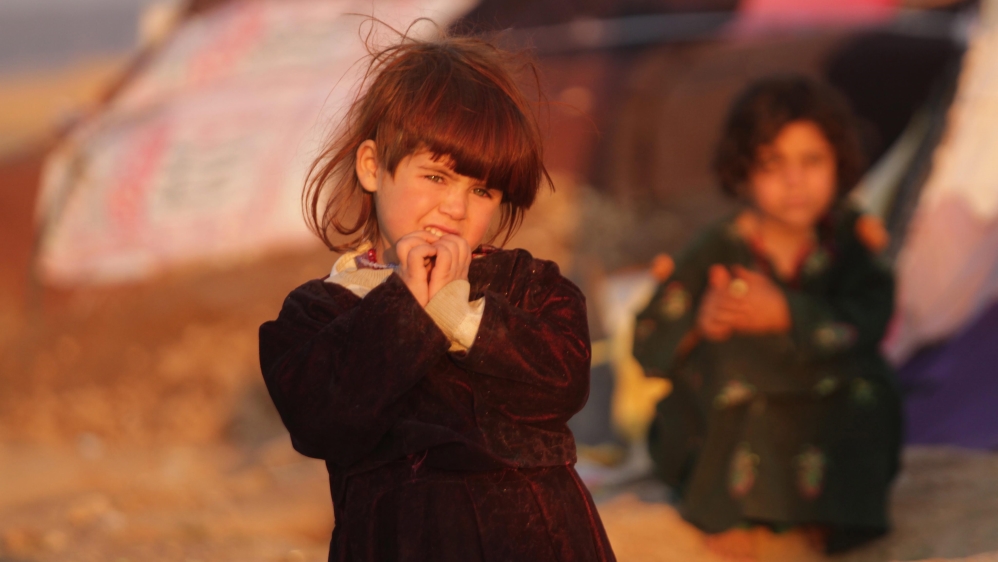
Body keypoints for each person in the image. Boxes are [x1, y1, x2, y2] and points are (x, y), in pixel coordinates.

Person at [259, 28, 616, 562]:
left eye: (481, 190)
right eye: (436, 176)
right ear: (372, 167)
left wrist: (461, 315)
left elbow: (564, 382)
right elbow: (322, 420)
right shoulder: (321, 312)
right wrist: (408, 305)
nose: (455, 208)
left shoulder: (528, 287)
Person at [632, 75, 902, 559]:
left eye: (812, 161)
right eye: (773, 164)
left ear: (839, 163)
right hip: (738, 392)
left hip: (819, 389)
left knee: (871, 389)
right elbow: (649, 336)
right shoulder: (717, 248)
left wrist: (788, 313)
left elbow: (872, 315)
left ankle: (833, 510)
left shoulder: (848, 241)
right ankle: (726, 510)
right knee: (732, 376)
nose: (794, 180)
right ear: (740, 172)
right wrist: (701, 323)